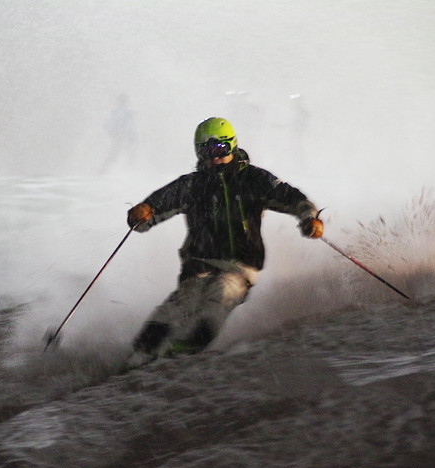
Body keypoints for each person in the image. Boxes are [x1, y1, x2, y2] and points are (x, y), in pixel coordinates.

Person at [126, 117, 323, 367]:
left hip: (240, 265)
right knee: (181, 303)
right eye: (206, 151)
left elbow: (293, 198)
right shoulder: (193, 185)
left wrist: (309, 219)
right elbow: (156, 205)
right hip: (199, 263)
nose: (215, 157)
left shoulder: (254, 179)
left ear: (232, 146)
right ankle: (140, 355)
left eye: (220, 149)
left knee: (217, 300)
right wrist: (141, 213)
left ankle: (178, 356)